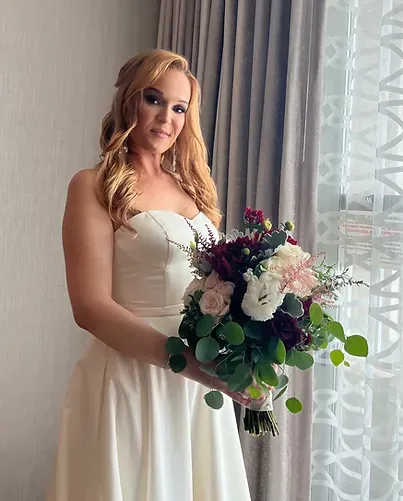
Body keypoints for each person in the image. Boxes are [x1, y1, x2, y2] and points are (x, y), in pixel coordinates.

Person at [46, 49, 254, 501]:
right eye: (154, 99)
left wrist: (248, 351)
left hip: (197, 388)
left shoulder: (195, 189)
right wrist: (193, 365)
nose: (167, 117)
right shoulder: (93, 185)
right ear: (128, 101)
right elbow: (90, 308)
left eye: (179, 107)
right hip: (133, 378)